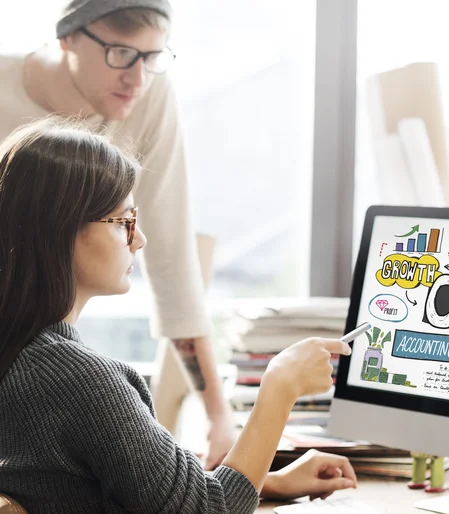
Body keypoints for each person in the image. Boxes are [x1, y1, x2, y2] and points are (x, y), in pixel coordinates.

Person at [0, 118, 357, 513]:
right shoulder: (78, 381)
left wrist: (266, 482)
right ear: (61, 231)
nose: (140, 239)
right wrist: (280, 388)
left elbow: (104, 488)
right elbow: (208, 510)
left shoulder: (23, 358)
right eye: (124, 222)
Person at [0, 0, 236, 468]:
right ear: (67, 37)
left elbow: (170, 257)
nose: (138, 78)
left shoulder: (149, 94)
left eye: (153, 57)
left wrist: (217, 416)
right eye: (121, 53)